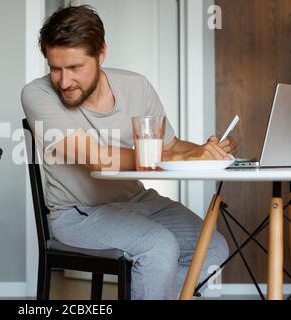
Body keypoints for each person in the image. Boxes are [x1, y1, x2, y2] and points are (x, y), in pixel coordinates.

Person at [21, 5, 236, 300]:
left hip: (140, 201)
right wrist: (177, 158)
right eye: (55, 68)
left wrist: (204, 150)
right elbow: (97, 158)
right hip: (78, 214)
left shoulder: (137, 85)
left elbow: (170, 146)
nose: (64, 81)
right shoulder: (37, 94)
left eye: (74, 68)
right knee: (159, 246)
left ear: (101, 55)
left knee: (213, 246)